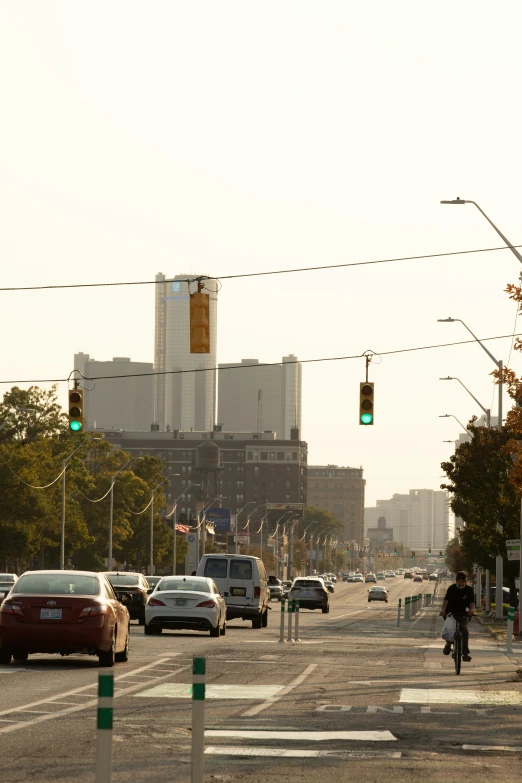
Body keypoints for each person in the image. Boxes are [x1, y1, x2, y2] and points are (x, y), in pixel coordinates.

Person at [439, 570, 475, 661]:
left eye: (462, 581)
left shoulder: (469, 590)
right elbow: (445, 601)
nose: (460, 583)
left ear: (465, 581)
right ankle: (448, 643)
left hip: (464, 614)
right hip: (451, 613)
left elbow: (471, 603)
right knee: (450, 628)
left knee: (464, 630)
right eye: (459, 581)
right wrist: (443, 610)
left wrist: (471, 610)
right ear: (456, 581)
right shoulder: (451, 588)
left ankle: (465, 653)